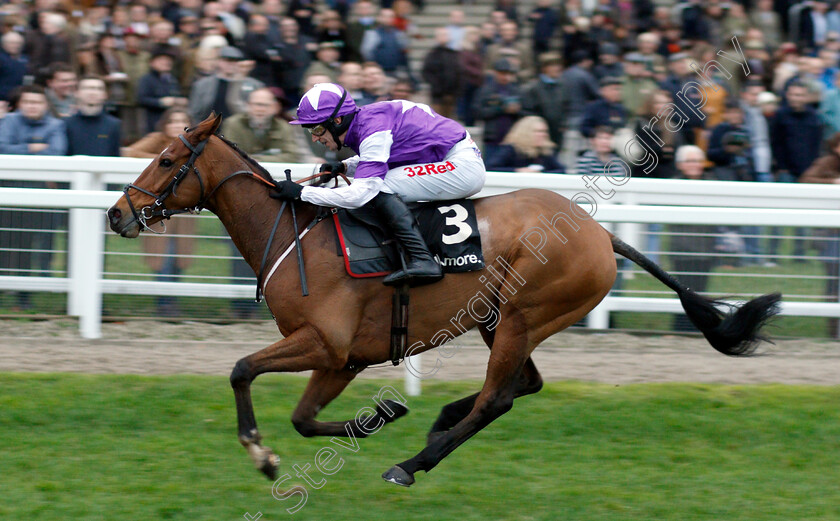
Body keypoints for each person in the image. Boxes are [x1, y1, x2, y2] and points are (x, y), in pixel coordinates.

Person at [271, 83, 486, 286]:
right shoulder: (365, 122)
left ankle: (423, 260)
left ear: (337, 121)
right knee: (381, 183)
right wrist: (345, 167)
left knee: (381, 187)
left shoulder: (373, 129)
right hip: (447, 158)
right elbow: (380, 155)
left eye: (316, 130)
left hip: (460, 167)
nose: (315, 139)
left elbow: (360, 195)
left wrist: (303, 193)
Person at [122, 108, 196, 316]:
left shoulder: (195, 146)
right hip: (158, 212)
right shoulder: (157, 139)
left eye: (182, 120)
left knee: (180, 255)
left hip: (183, 211)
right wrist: (164, 160)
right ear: (164, 124)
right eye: (173, 120)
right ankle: (164, 303)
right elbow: (129, 152)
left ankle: (172, 299)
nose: (177, 124)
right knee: (162, 256)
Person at [0, 85, 67, 310]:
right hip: (6, 193)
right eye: (27, 101)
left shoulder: (56, 124)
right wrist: (33, 147)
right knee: (4, 244)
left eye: (37, 102)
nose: (32, 106)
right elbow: (2, 148)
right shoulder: (9, 121)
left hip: (38, 196)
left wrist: (18, 148)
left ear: (46, 105)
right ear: (20, 104)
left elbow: (57, 152)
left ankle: (22, 296)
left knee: (27, 245)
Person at [669, 145, 717, 332]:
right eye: (689, 160)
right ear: (680, 165)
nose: (693, 164)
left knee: (701, 289)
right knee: (682, 290)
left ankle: (699, 328)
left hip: (705, 248)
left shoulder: (712, 183)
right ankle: (679, 328)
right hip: (681, 249)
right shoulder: (673, 184)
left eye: (697, 160)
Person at [800, 131, 840, 338]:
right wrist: (833, 183)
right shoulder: (827, 163)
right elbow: (807, 179)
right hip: (833, 234)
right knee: (834, 282)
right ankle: (834, 330)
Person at [188, 46, 264, 123]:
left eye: (235, 61)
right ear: (218, 61)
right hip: (210, 131)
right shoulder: (203, 85)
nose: (231, 64)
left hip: (240, 131)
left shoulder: (254, 85)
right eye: (227, 60)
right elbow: (194, 112)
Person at [64, 76, 121, 157]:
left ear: (105, 94)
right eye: (87, 88)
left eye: (98, 89)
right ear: (76, 93)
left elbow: (116, 156)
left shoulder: (114, 124)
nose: (92, 92)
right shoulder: (66, 124)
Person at [485, 116, 564, 173]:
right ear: (525, 133)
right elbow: (490, 167)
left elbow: (561, 170)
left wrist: (541, 173)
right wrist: (518, 171)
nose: (543, 135)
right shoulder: (511, 149)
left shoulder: (545, 151)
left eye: (545, 131)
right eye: (538, 131)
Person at [136, 47, 187, 133]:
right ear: (151, 63)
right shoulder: (147, 79)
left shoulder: (172, 78)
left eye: (168, 60)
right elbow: (141, 99)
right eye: (161, 60)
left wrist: (179, 100)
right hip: (153, 121)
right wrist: (160, 102)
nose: (166, 62)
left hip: (171, 122)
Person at [421, 27, 461, 119]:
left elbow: (458, 73)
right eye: (441, 35)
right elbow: (426, 72)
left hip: (451, 94)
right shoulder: (432, 54)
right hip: (437, 95)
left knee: (449, 119)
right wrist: (436, 86)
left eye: (445, 35)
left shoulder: (454, 54)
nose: (443, 37)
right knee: (437, 118)